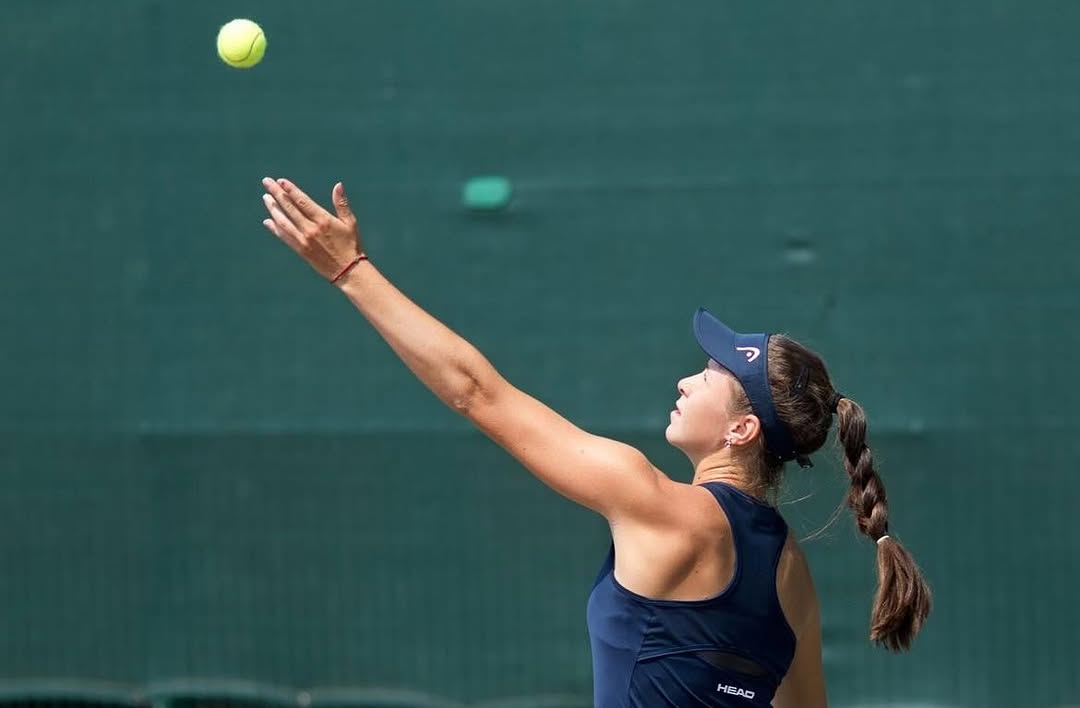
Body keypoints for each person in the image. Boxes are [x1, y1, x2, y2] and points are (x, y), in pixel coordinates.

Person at [259, 177, 932, 707]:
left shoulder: (652, 501)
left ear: (741, 428)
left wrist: (351, 270)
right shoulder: (792, 574)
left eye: (709, 375)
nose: (686, 380)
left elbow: (476, 392)